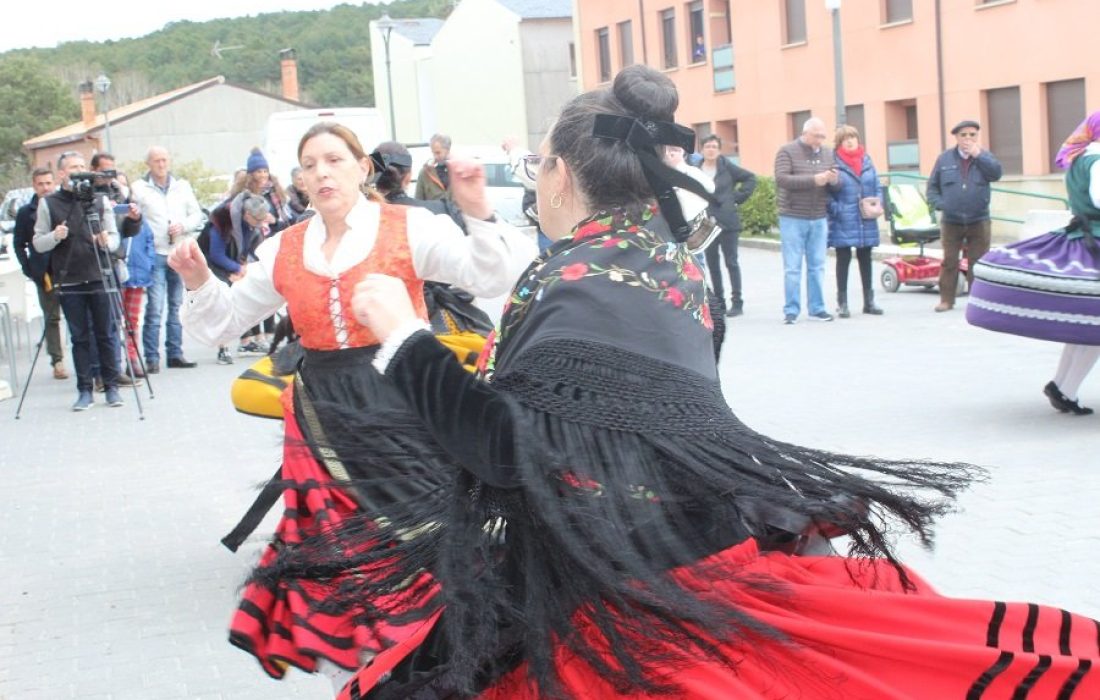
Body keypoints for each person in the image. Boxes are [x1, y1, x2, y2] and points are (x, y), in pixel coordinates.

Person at [246, 66, 1100, 699]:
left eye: (542, 162)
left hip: (633, 568)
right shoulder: (661, 261)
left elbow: (512, 451)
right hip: (659, 531)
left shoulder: (585, 279)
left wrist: (405, 336)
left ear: (562, 175)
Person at [168, 121, 536, 687]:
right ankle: (368, 683)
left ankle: (443, 671)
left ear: (362, 169)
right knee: (345, 571)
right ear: (300, 180)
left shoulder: (408, 227)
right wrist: (197, 279)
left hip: (406, 408)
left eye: (334, 160)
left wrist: (478, 212)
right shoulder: (285, 248)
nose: (322, 173)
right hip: (324, 424)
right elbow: (223, 323)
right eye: (309, 164)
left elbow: (491, 275)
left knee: (430, 553)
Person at [32, 151, 123, 410]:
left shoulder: (99, 200)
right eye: (74, 167)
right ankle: (84, 390)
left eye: (83, 166)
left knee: (106, 334)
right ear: (62, 173)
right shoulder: (49, 204)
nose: (80, 170)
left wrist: (108, 242)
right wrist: (55, 236)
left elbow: (115, 237)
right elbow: (38, 243)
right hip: (70, 279)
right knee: (80, 337)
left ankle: (112, 386)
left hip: (99, 276)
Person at [129, 146, 206, 372]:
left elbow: (197, 214)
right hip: (155, 254)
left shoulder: (182, 186)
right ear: (149, 164)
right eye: (156, 161)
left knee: (177, 305)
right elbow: (134, 219)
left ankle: (175, 352)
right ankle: (151, 357)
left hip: (179, 252)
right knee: (154, 307)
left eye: (164, 160)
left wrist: (184, 225)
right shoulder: (139, 189)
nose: (161, 165)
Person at [926, 119, 1003, 313]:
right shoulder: (944, 159)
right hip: (951, 221)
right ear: (956, 138)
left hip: (979, 219)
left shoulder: (985, 157)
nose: (968, 139)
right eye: (964, 135)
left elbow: (996, 174)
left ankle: (977, 300)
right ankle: (946, 300)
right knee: (950, 261)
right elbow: (932, 188)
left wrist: (979, 156)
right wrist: (942, 205)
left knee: (978, 262)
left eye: (972, 135)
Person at [775, 117, 838, 324]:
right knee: (792, 267)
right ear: (805, 133)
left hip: (818, 216)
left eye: (823, 136)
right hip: (792, 216)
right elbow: (782, 179)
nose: (820, 140)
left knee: (817, 265)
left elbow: (837, 184)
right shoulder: (787, 151)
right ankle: (791, 310)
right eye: (817, 136)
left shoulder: (828, 153)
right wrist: (813, 180)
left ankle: (817, 308)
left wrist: (834, 180)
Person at [13, 167, 67, 380]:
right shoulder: (26, 212)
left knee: (76, 317)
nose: (45, 187)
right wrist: (29, 268)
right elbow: (19, 244)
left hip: (68, 269)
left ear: (53, 183)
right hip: (45, 272)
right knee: (52, 317)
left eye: (48, 183)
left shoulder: (61, 205)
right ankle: (57, 360)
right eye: (40, 184)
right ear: (34, 186)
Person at [827, 125, 884, 317]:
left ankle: (869, 302)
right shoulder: (833, 162)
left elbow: (876, 185)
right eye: (846, 138)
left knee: (865, 258)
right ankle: (842, 303)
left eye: (853, 137)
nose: (850, 141)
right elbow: (827, 193)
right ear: (839, 142)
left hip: (865, 217)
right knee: (843, 259)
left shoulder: (866, 160)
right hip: (844, 218)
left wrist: (877, 203)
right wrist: (837, 209)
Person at [699, 134, 756, 316]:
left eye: (714, 146)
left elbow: (750, 178)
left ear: (719, 150)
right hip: (706, 223)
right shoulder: (696, 169)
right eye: (707, 146)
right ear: (702, 150)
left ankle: (737, 302)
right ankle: (719, 302)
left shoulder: (727, 167)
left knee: (731, 262)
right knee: (712, 263)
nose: (711, 150)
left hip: (728, 221)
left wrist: (736, 199)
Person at [415, 133, 451, 201]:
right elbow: (418, 201)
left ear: (447, 150)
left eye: (438, 153)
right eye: (433, 153)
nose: (435, 157)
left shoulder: (459, 172)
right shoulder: (425, 173)